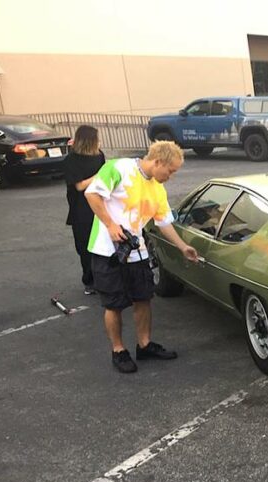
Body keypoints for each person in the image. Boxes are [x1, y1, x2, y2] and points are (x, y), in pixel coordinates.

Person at [84, 141, 198, 373]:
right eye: (171, 170)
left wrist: (182, 246)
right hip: (108, 251)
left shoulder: (157, 188)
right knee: (113, 304)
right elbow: (92, 194)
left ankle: (144, 345)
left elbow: (164, 222)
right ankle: (118, 350)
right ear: (158, 162)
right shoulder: (118, 168)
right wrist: (110, 224)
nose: (171, 176)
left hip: (136, 250)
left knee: (143, 298)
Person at [63, 125, 106, 295]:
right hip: (81, 208)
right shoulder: (71, 160)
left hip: (100, 203)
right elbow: (79, 185)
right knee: (85, 246)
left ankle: (104, 278)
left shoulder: (99, 155)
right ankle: (89, 280)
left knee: (102, 244)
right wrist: (100, 175)